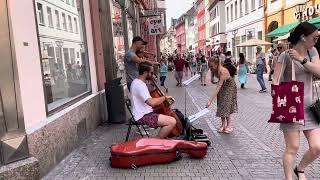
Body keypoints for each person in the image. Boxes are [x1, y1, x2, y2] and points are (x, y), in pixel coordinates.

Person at [272, 22, 320, 180]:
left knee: (317, 147)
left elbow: (319, 72)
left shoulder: (312, 52)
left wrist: (302, 59)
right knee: (292, 147)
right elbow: (275, 81)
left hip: (311, 108)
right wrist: (278, 98)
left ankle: (300, 169)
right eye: (314, 37)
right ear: (303, 37)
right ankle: (289, 178)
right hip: (292, 107)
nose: (316, 40)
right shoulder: (285, 56)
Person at [130, 61, 176, 139]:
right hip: (142, 116)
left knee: (167, 117)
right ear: (145, 72)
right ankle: (155, 142)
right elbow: (151, 102)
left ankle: (161, 139)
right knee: (172, 121)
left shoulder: (137, 82)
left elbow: (148, 99)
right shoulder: (139, 85)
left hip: (144, 112)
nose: (153, 75)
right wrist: (164, 98)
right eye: (151, 73)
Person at [206, 56, 238, 134]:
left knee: (226, 105)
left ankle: (229, 125)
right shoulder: (214, 69)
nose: (210, 68)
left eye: (211, 66)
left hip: (229, 86)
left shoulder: (222, 71)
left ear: (217, 64)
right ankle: (223, 125)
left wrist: (210, 100)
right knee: (220, 104)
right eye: (209, 66)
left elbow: (218, 87)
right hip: (223, 85)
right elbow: (214, 81)